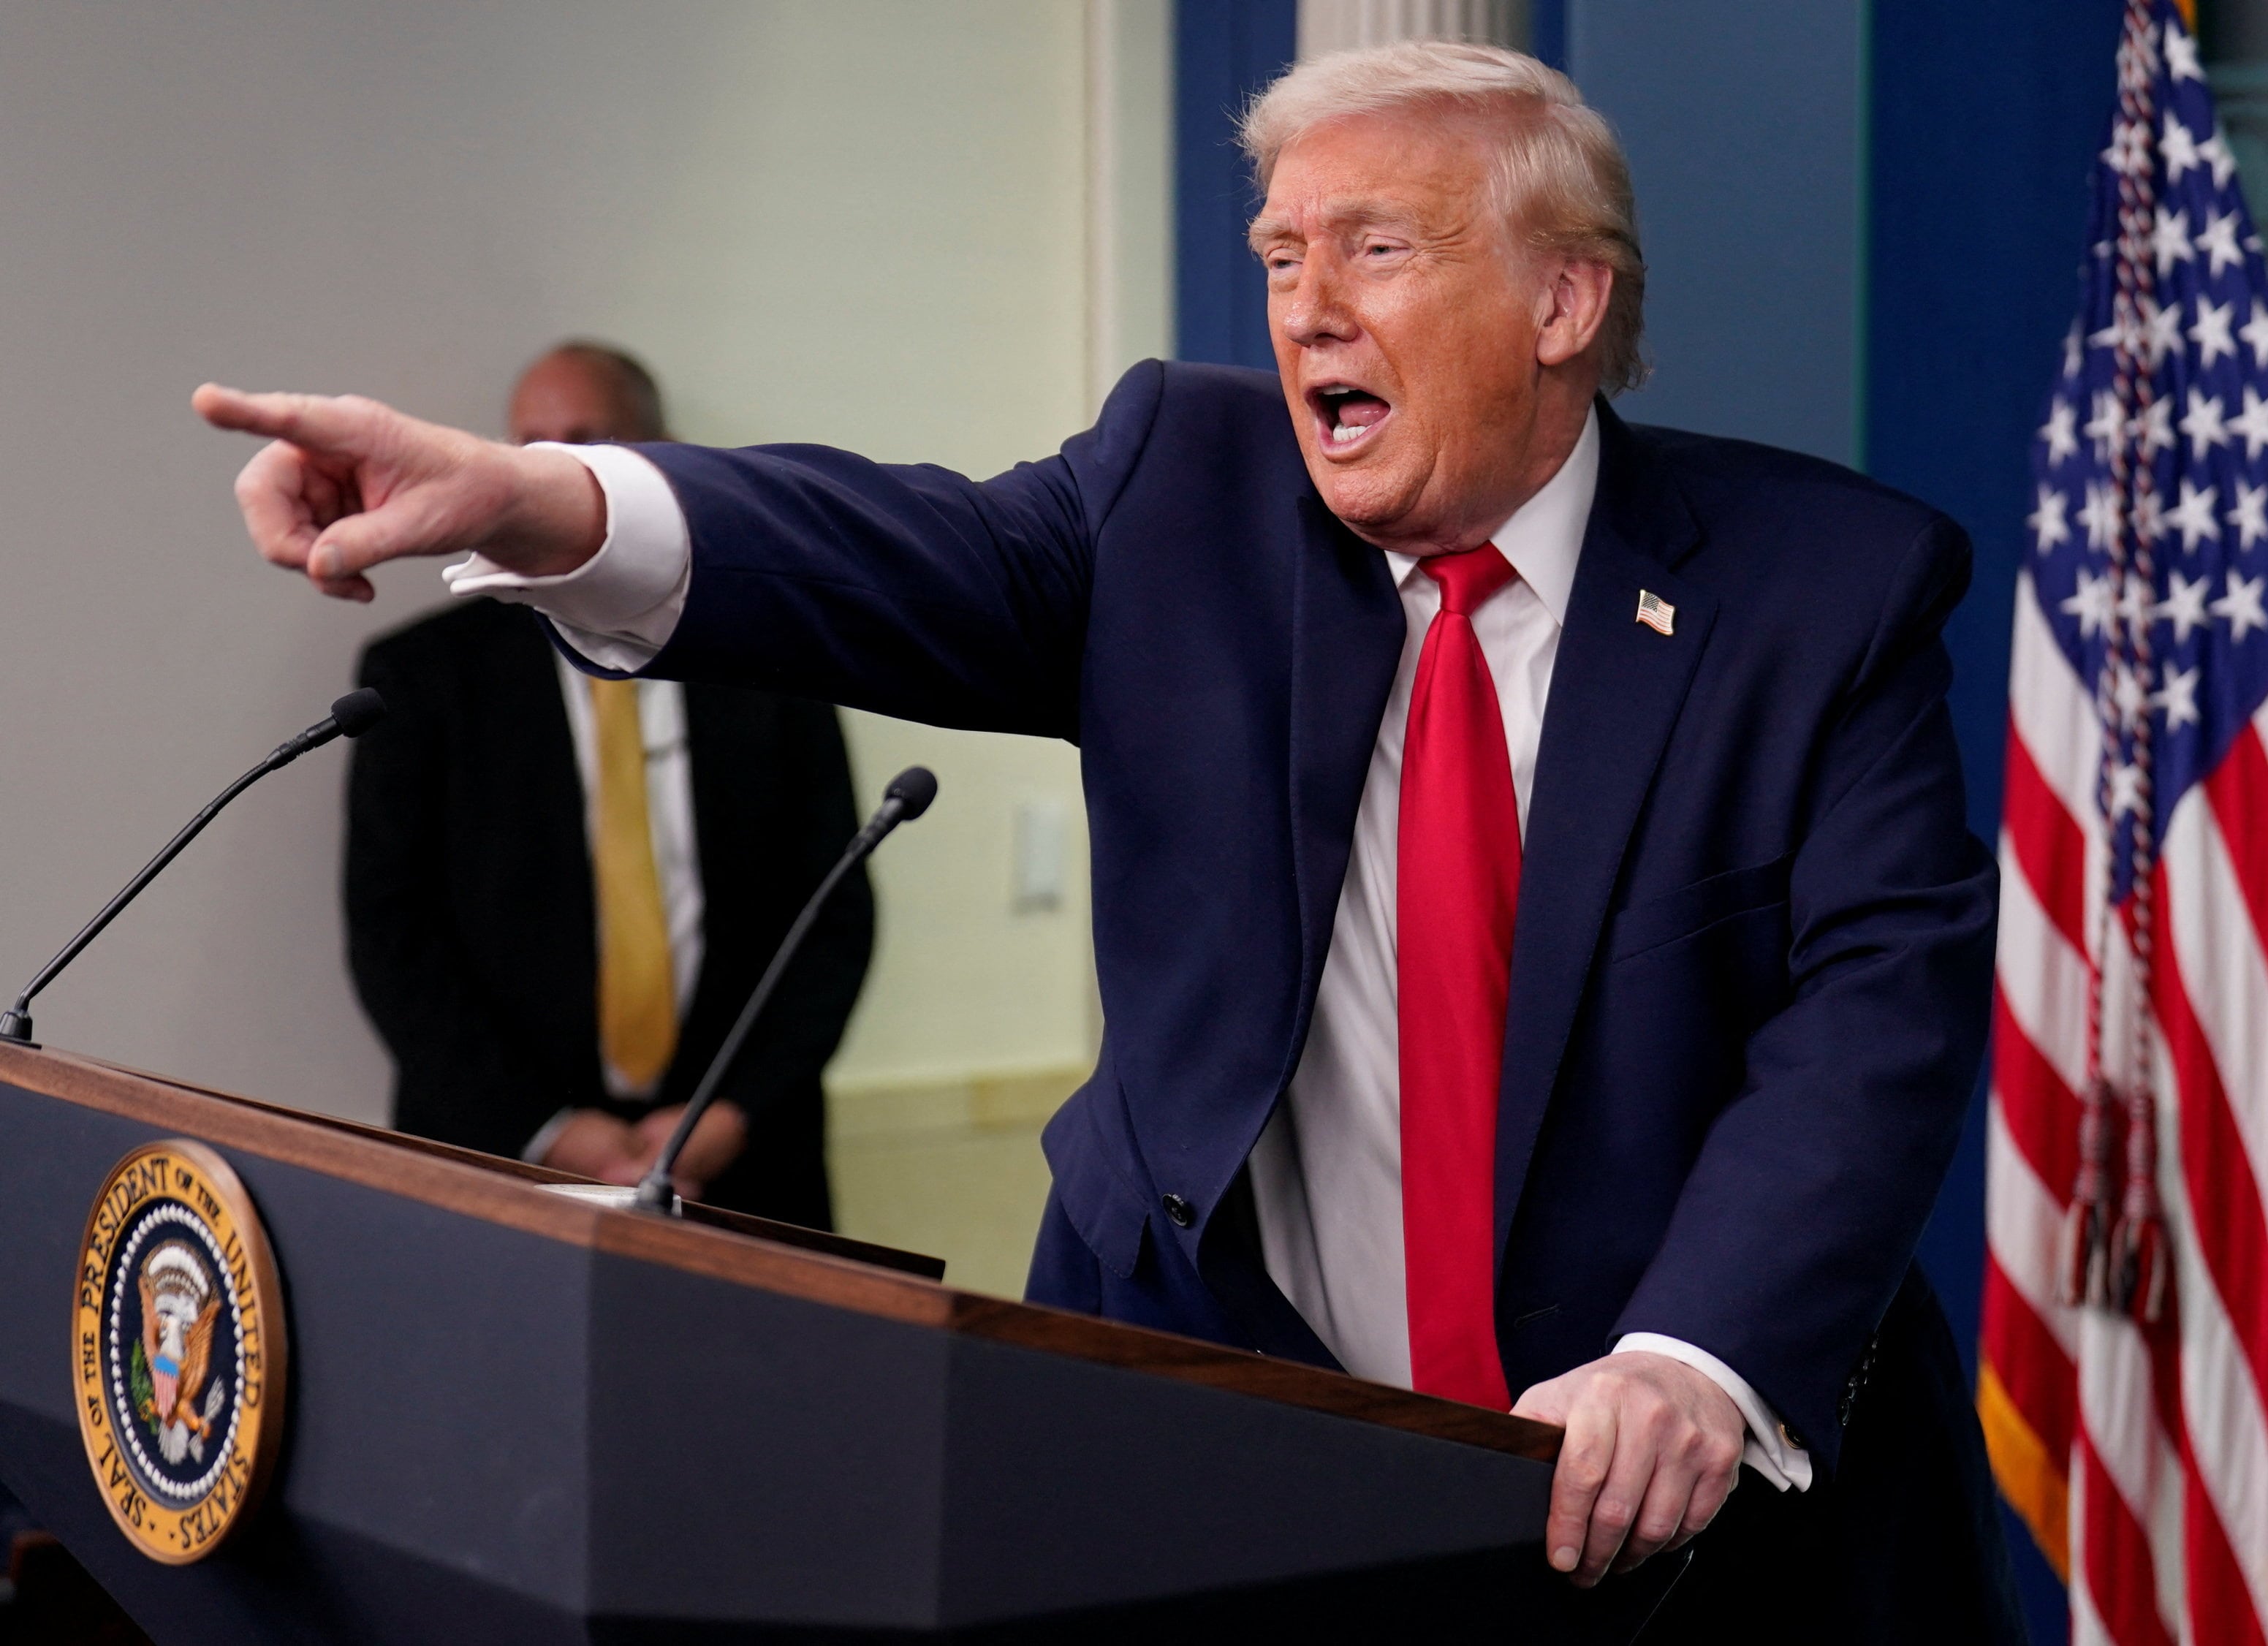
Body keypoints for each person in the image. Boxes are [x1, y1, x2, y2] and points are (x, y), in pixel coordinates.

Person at [199, 43, 2017, 1639]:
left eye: (1376, 247)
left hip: (1677, 1511)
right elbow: (886, 550)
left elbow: (1870, 1025)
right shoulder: (1181, 493)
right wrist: (538, 502)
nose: (1305, 306)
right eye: (1282, 255)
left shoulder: (1821, 593)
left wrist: (1690, 1352)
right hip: (1224, 1448)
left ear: (1562, 301)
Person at [343, 341, 873, 1230]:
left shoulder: (772, 658)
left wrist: (731, 1111)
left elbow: (833, 912)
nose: (550, 467)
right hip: (495, 1165)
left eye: (585, 438)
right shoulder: (421, 678)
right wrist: (550, 1131)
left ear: (659, 456)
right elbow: (394, 940)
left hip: (747, 1170)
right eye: (529, 443)